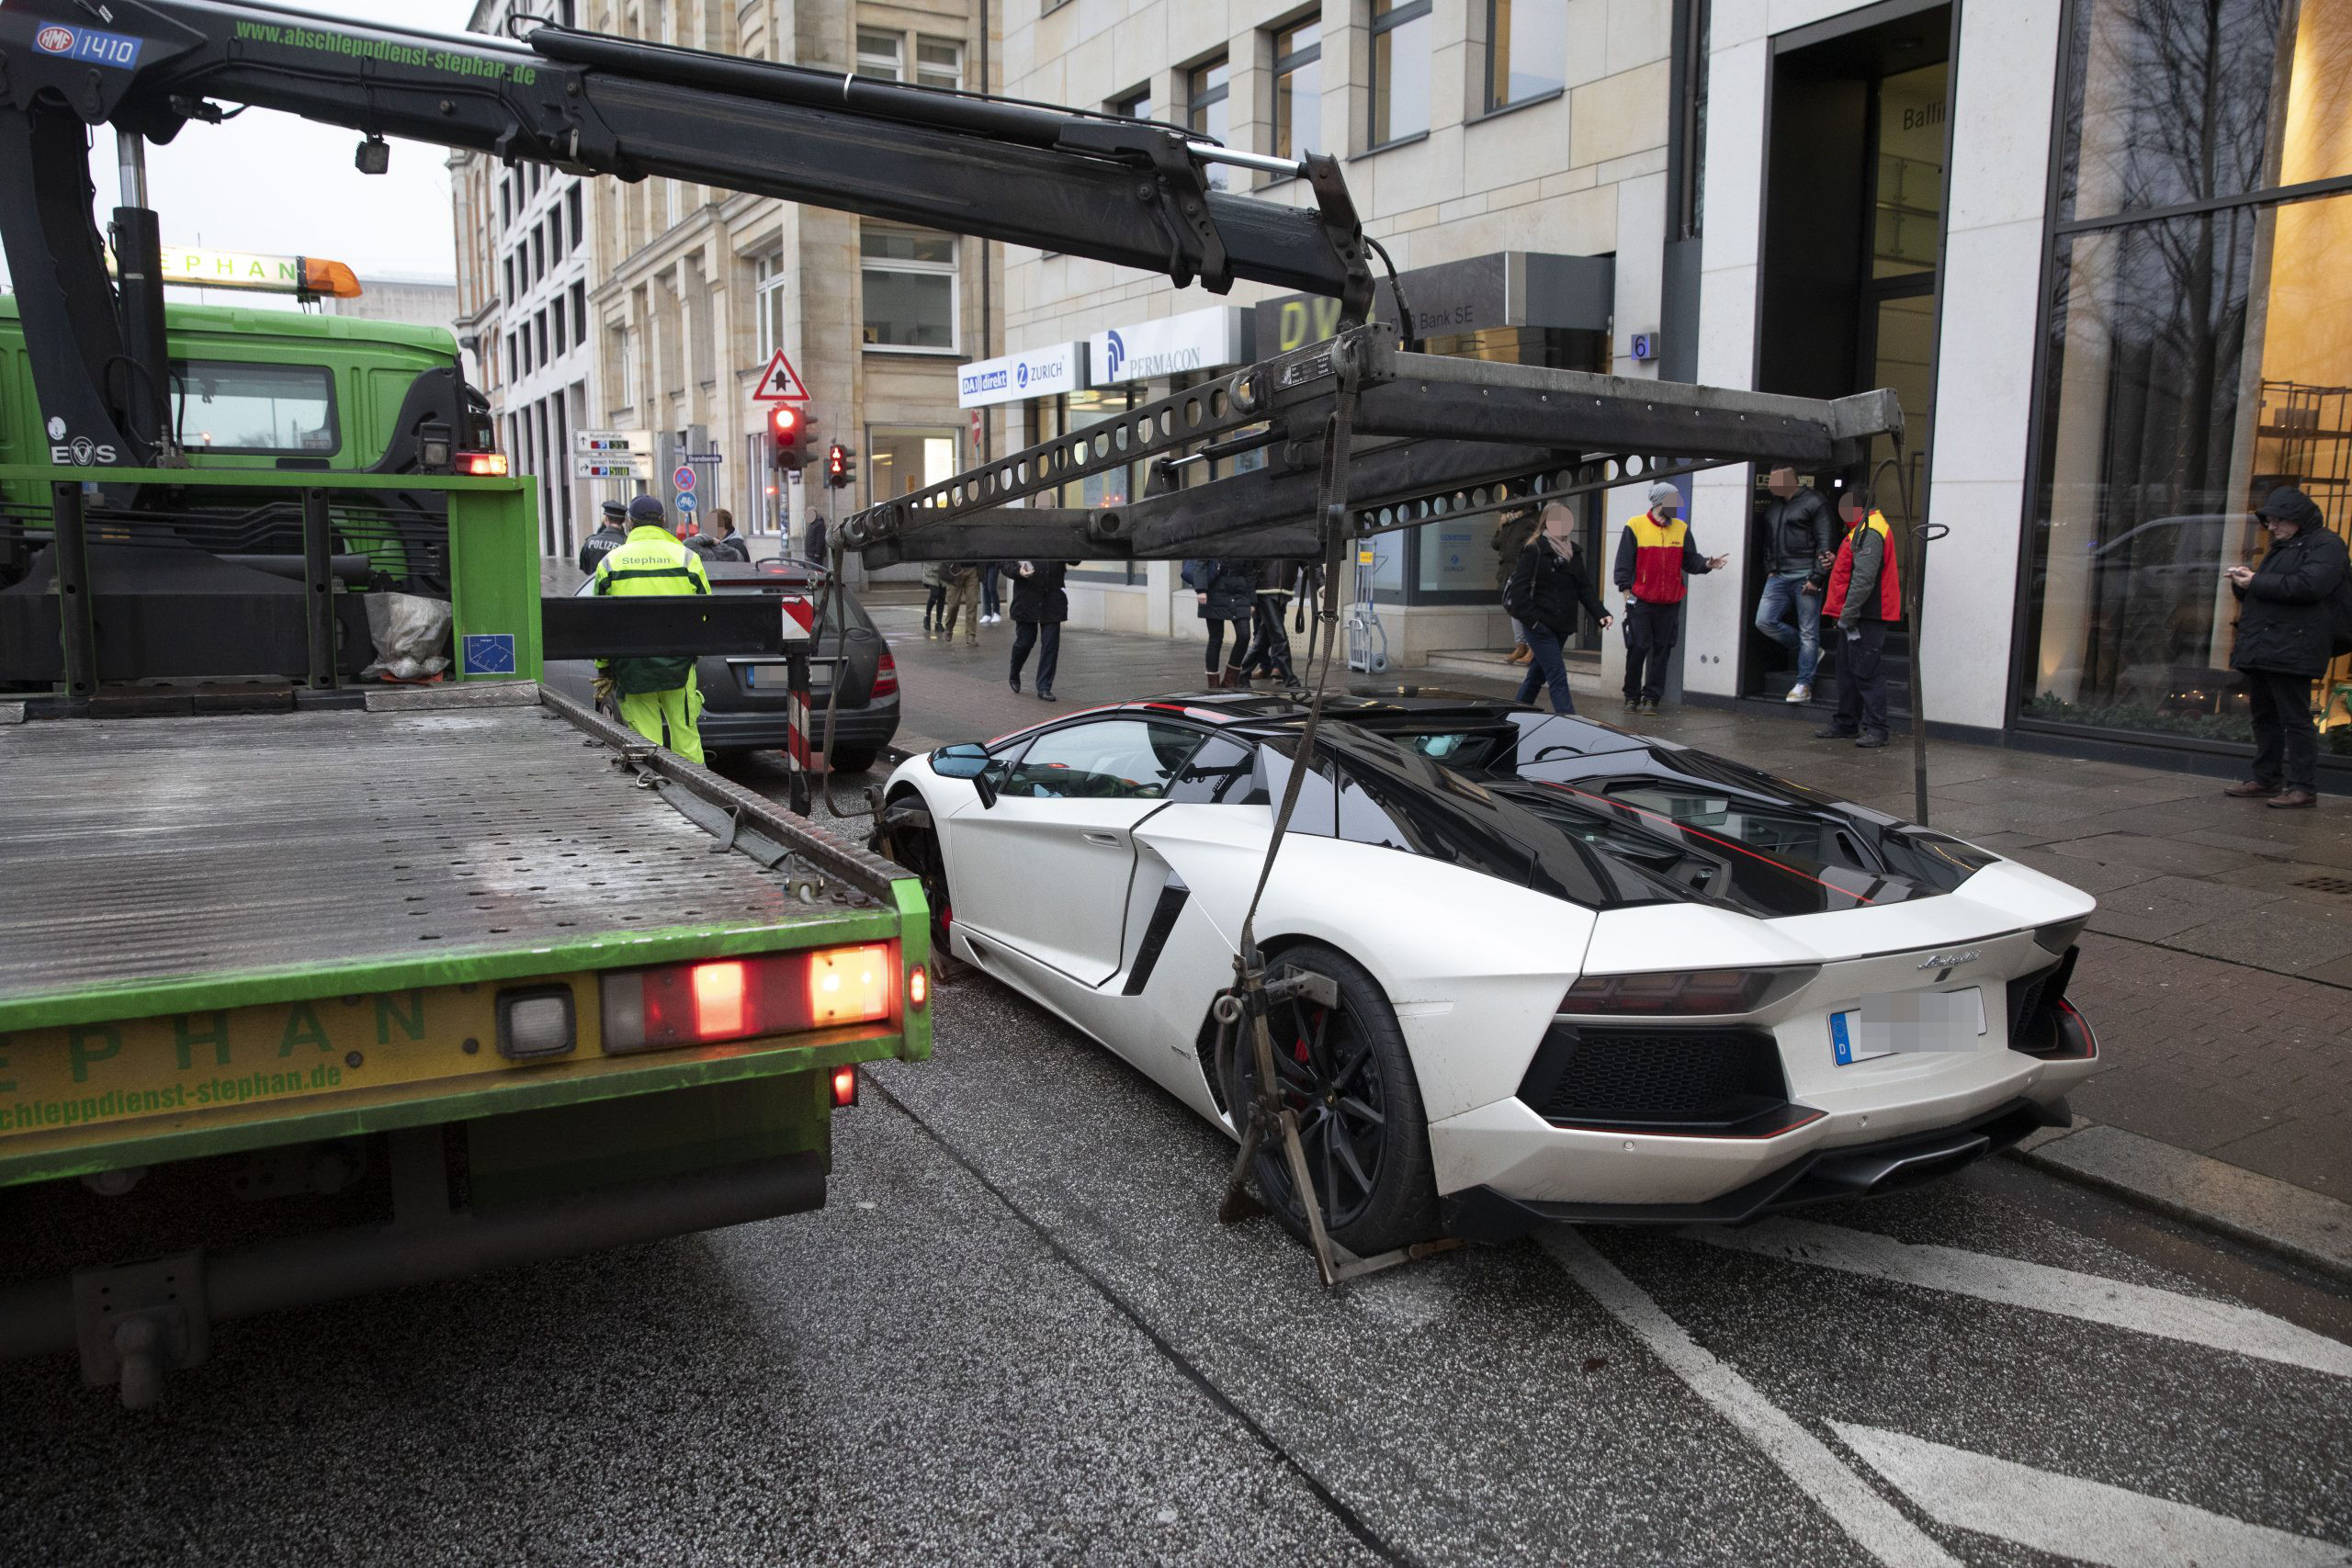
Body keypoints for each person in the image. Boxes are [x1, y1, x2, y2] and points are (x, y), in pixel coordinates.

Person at [2222, 486, 2347, 808]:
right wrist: (2244, 584)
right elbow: (2269, 593)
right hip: (2268, 644)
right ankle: (2266, 778)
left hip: (2296, 646)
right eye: (2270, 521)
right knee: (2264, 716)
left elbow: (2309, 586)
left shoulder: (2327, 544)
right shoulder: (2284, 547)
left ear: (2297, 520)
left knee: (2295, 719)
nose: (2272, 527)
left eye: (2279, 521)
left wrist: (2256, 581)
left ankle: (2303, 786)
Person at [592, 494, 711, 763]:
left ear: (630, 523)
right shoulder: (687, 559)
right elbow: (706, 612)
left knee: (645, 741)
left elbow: (599, 622)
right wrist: (693, 654)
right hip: (679, 664)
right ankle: (699, 794)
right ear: (664, 521)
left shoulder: (611, 563)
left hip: (632, 666)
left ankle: (656, 792)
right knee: (685, 736)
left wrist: (604, 666)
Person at [1611, 480, 1725, 716]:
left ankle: (1652, 698)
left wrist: (1707, 564)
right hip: (1641, 600)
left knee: (1662, 650)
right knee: (1639, 646)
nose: (1678, 504)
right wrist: (1626, 593)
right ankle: (1631, 695)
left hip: (1670, 601)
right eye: (1674, 500)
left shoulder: (1681, 528)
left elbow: (1690, 560)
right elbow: (1623, 563)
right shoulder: (1635, 525)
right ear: (1660, 502)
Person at [1813, 488, 1901, 750]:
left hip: (1865, 615)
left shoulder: (1868, 531)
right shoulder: (1865, 528)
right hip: (1860, 614)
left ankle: (1875, 729)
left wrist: (1848, 615)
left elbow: (1864, 579)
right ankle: (1847, 723)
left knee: (1866, 672)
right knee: (1849, 672)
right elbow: (1859, 571)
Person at [1505, 501, 1614, 713]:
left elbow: (1584, 588)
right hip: (1539, 625)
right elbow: (1519, 594)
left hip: (1561, 626)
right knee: (1557, 675)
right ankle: (1571, 722)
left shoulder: (1573, 552)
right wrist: (1534, 622)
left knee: (1537, 674)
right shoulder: (1534, 549)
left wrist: (1601, 614)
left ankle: (1514, 716)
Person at [1754, 466, 1836, 703]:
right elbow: (1768, 542)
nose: (1771, 485)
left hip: (1806, 575)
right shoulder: (1775, 505)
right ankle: (1809, 651)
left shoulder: (1814, 502)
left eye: (1776, 481)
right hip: (1779, 576)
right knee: (1764, 621)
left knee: (1810, 631)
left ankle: (1804, 685)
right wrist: (1770, 569)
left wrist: (1817, 576)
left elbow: (1825, 541)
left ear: (1791, 480)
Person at [1183, 558, 1259, 688]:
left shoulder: (1243, 542)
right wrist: (1201, 590)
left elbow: (1249, 571)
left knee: (1244, 635)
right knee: (1216, 639)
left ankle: (1230, 681)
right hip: (1214, 589)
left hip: (1239, 592)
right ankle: (1213, 685)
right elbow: (1200, 564)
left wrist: (1252, 600)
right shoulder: (1213, 540)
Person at [1007, 558, 1071, 701]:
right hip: (1026, 599)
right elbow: (1005, 563)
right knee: (1025, 641)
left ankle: (1044, 687)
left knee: (1051, 644)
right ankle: (1014, 671)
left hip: (1053, 598)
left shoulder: (1059, 538)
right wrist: (1018, 571)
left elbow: (1075, 560)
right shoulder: (1021, 537)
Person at [1242, 558, 1305, 687]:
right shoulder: (1264, 538)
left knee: (1263, 638)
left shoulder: (1293, 539)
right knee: (1279, 636)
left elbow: (1309, 557)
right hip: (1264, 590)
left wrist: (1322, 584)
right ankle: (1290, 679)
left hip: (1283, 592)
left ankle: (1241, 674)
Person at [1494, 506, 1542, 664]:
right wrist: (1501, 526)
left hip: (1522, 571)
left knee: (1524, 609)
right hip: (1508, 571)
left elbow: (1528, 547)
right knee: (1514, 609)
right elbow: (1495, 544)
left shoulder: (1531, 520)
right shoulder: (1509, 522)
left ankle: (1532, 648)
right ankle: (1521, 646)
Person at [577, 499, 628, 576]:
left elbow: (585, 568)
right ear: (623, 521)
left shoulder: (590, 542)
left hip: (595, 586)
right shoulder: (627, 544)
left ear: (606, 519)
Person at [940, 559, 981, 646]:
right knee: (953, 605)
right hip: (955, 569)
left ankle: (971, 634)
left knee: (972, 603)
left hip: (972, 569)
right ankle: (949, 628)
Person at [921, 560, 947, 638]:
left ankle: (938, 622)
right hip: (931, 568)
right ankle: (927, 616)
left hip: (943, 568)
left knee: (942, 596)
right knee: (935, 593)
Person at [979, 561, 1003, 626]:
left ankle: (997, 612)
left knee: (991, 587)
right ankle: (987, 613)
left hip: (993, 563)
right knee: (985, 588)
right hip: (983, 563)